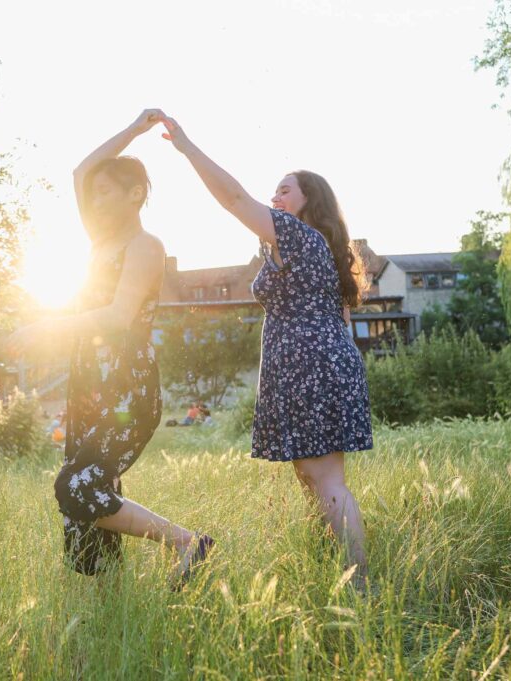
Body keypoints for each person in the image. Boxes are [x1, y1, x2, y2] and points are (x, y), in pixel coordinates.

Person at [160, 115, 373, 587]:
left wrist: (188, 148)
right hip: (324, 362)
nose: (274, 199)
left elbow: (234, 199)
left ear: (308, 203)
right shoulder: (321, 248)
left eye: (284, 192)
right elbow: (342, 321)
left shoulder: (297, 236)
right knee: (313, 477)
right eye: (274, 192)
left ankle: (358, 586)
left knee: (327, 480)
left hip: (308, 366)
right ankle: (335, 573)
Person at [8, 110, 213, 586]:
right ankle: (106, 598)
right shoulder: (97, 241)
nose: (95, 200)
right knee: (87, 503)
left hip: (129, 387)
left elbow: (120, 318)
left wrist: (47, 326)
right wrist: (134, 131)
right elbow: (82, 172)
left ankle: (187, 542)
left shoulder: (146, 246)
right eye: (94, 195)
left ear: (135, 194)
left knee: (77, 488)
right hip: (88, 384)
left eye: (106, 192)